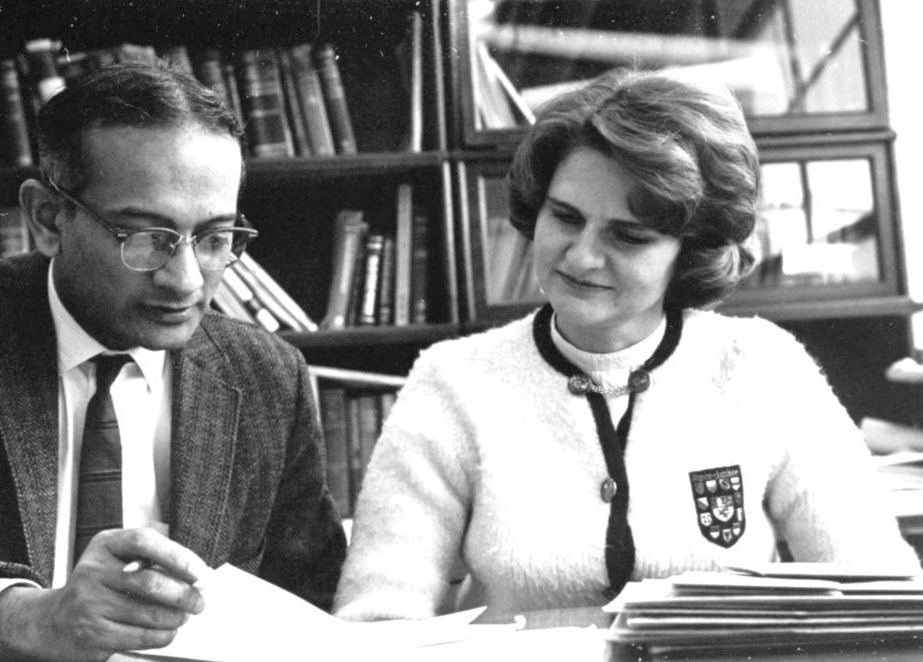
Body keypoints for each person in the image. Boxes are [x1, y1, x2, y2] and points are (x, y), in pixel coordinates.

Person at [333, 68, 920, 621]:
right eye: (564, 217)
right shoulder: (453, 380)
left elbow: (880, 590)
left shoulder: (762, 366)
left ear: (689, 253)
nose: (582, 256)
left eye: (629, 236)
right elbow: (378, 620)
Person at [0, 62, 346, 661]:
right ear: (48, 218)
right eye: (144, 237)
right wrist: (25, 619)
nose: (184, 281)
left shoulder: (265, 376)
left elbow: (311, 599)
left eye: (214, 238)